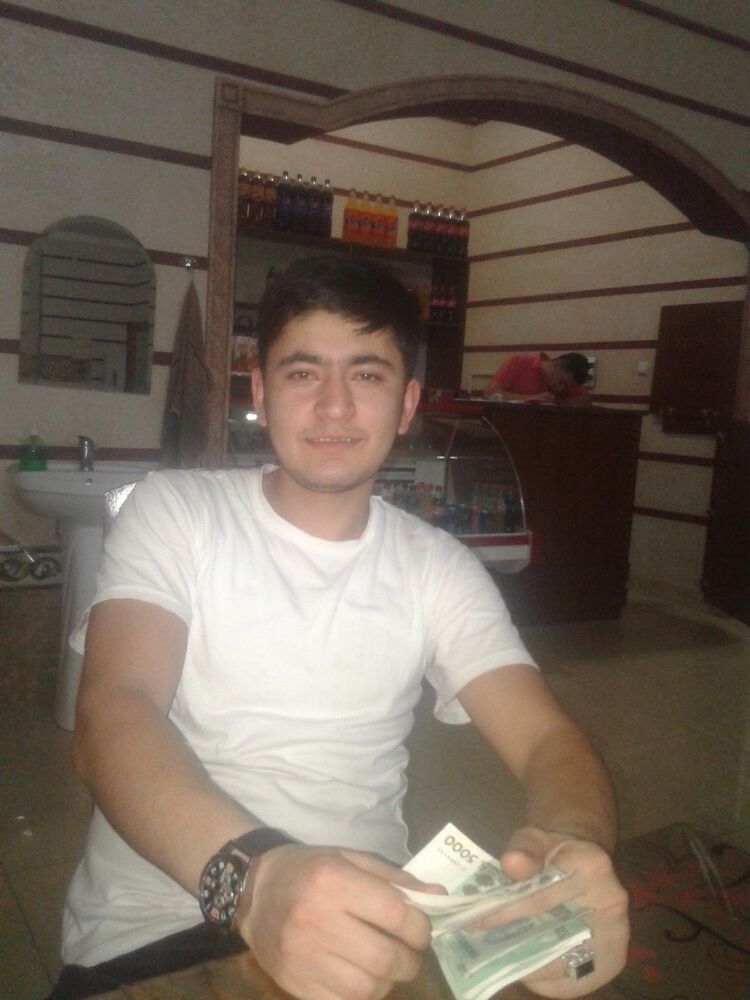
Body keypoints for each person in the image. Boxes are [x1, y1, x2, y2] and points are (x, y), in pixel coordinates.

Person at [50, 256, 628, 1000]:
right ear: (261, 392)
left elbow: (548, 738)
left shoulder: (438, 567)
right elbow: (114, 711)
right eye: (302, 373)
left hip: (365, 933)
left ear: (407, 403)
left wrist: (571, 850)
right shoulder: (177, 511)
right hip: (160, 927)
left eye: (367, 374)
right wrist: (256, 881)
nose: (333, 407)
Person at [484, 351, 592, 405]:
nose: (560, 389)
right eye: (561, 381)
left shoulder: (567, 384)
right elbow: (489, 392)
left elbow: (585, 398)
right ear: (556, 365)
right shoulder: (518, 362)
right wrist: (532, 398)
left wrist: (569, 402)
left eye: (566, 387)